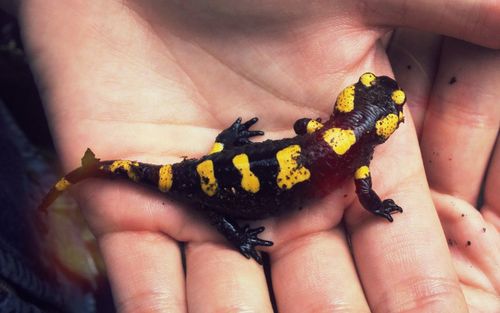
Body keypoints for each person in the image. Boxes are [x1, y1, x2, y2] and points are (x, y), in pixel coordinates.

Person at [3, 1, 499, 312]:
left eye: (376, 96)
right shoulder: (357, 160)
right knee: (207, 196)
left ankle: (80, 183)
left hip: (219, 167)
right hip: (212, 181)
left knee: (212, 176)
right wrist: (378, 207)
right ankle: (85, 180)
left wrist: (233, 141)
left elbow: (310, 130)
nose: (373, 87)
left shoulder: (330, 133)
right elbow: (364, 191)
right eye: (371, 88)